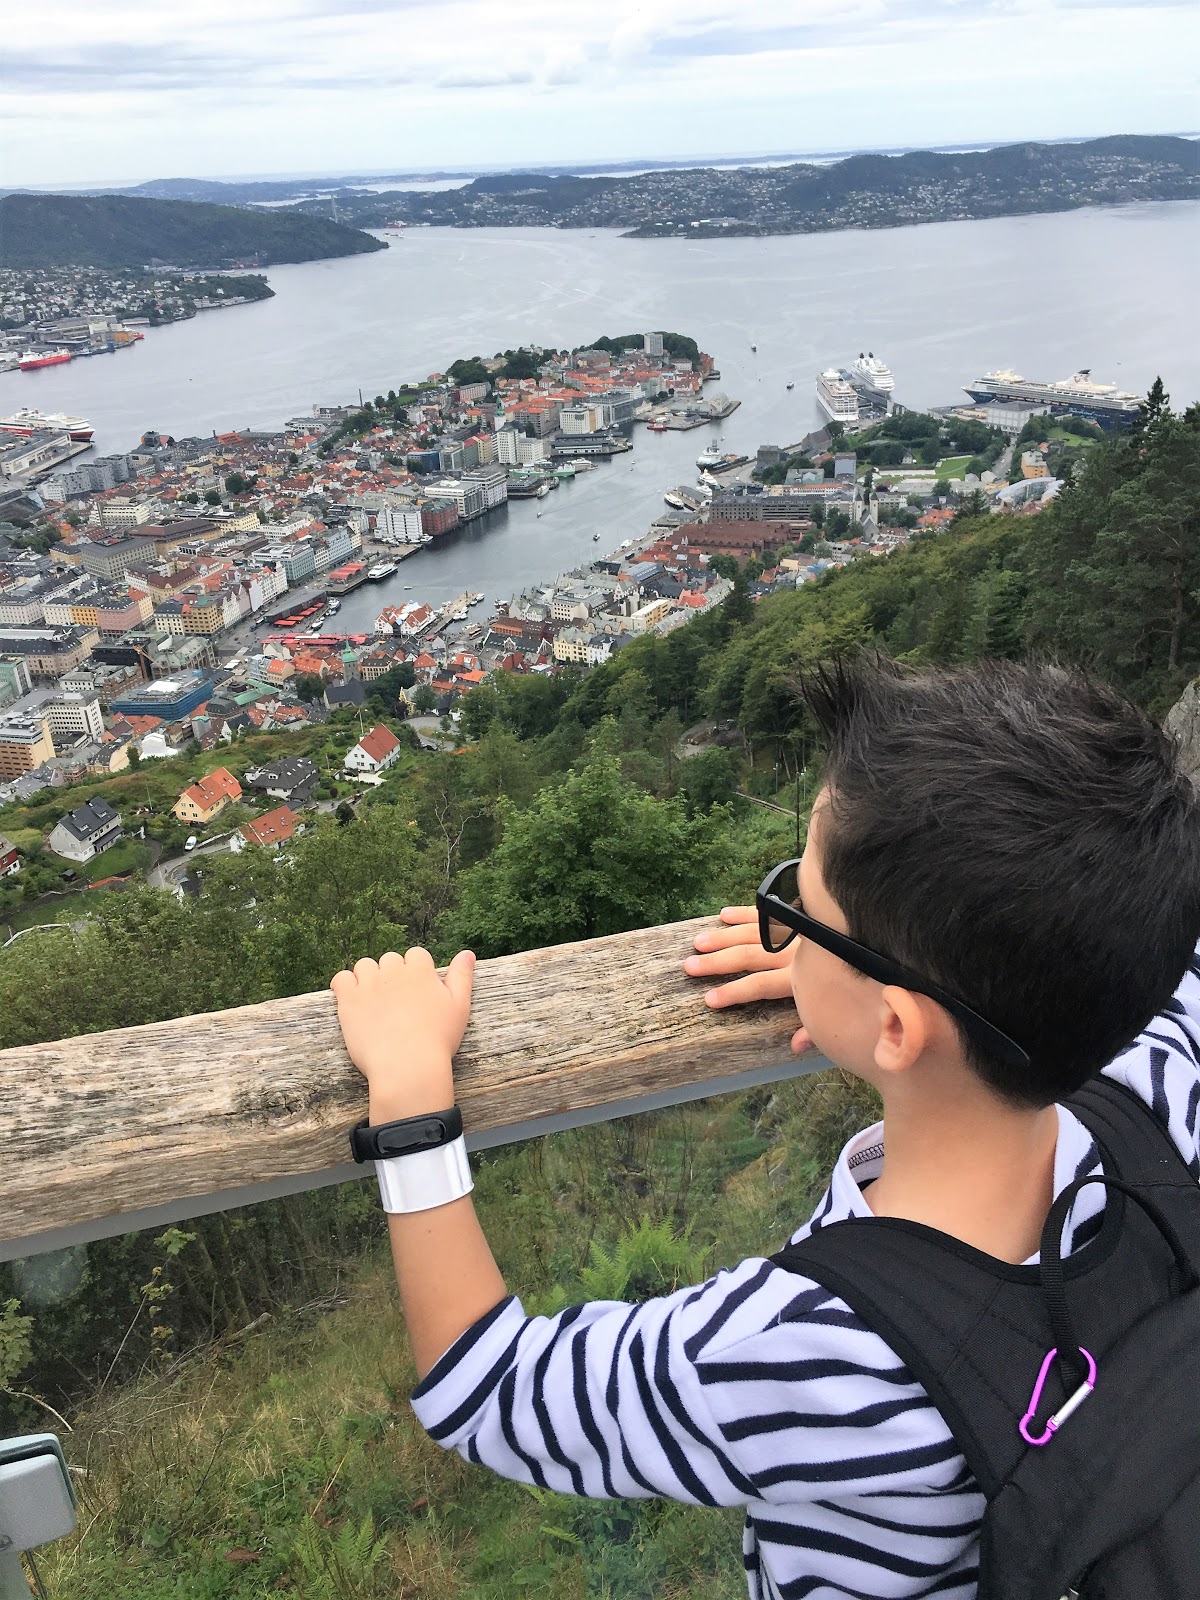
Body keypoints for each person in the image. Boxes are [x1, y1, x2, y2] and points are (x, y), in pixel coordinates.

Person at [330, 658, 1200, 1600]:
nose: (780, 925)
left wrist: (411, 1094)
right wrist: (867, 972)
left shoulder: (810, 1351)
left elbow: (488, 1390)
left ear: (900, 1027)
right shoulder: (1164, 1099)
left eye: (799, 909)